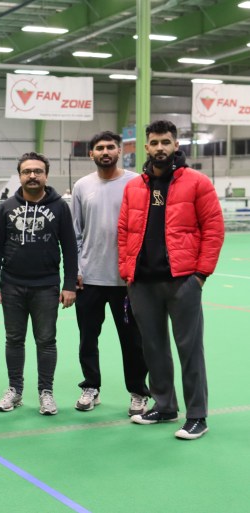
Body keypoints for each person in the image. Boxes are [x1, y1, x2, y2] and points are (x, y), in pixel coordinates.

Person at [118, 120, 224, 440]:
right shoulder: (134, 187)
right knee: (153, 348)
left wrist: (200, 276)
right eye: (154, 142)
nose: (160, 147)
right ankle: (164, 405)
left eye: (166, 141)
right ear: (146, 147)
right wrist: (127, 272)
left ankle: (197, 416)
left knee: (189, 348)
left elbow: (213, 229)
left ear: (176, 145)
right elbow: (124, 232)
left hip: (183, 281)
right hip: (142, 283)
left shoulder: (197, 182)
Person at [0, 152, 77, 416]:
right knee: (14, 339)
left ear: (46, 175)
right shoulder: (6, 208)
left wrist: (69, 284)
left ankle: (46, 392)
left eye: (38, 171)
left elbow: (70, 249)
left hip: (46, 286)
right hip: (12, 284)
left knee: (46, 340)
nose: (32, 176)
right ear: (20, 175)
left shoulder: (60, 207)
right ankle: (15, 390)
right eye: (27, 172)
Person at [72, 131, 150, 416]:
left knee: (132, 341)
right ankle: (90, 387)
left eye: (110, 147)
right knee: (87, 339)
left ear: (120, 151)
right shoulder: (82, 186)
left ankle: (138, 392)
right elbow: (74, 233)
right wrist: (76, 270)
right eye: (99, 148)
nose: (105, 151)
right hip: (89, 280)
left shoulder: (136, 182)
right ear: (91, 154)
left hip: (126, 280)